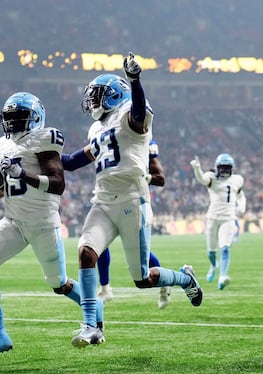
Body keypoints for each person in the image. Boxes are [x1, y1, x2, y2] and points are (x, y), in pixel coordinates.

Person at [66, 53, 203, 348]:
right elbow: (73, 161)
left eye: (97, 96)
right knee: (86, 252)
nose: (92, 102)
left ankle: (184, 279)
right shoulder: (97, 128)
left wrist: (135, 80)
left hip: (132, 200)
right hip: (102, 201)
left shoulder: (131, 114)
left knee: (142, 279)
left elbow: (139, 113)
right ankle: (92, 326)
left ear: (114, 95)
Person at [0, 91, 104, 360]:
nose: (13, 123)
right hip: (14, 220)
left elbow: (57, 184)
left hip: (43, 223)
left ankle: (94, 306)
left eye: (19, 117)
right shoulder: (3, 144)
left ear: (35, 118)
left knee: (59, 284)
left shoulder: (44, 138)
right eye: (10, 118)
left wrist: (23, 173)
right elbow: (4, 191)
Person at [64, 139, 170, 308]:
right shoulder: (105, 135)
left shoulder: (142, 140)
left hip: (133, 202)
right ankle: (105, 288)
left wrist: (143, 176)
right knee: (95, 247)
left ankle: (164, 281)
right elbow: (73, 161)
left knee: (142, 259)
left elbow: (160, 179)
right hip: (107, 200)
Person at [190, 153, 246, 290]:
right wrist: (197, 168)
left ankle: (223, 277)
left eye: (227, 167)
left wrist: (242, 206)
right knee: (211, 251)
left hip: (228, 218)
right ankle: (214, 265)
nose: (225, 170)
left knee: (225, 248)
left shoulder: (237, 179)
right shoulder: (211, 177)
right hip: (213, 218)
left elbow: (240, 195)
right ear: (217, 167)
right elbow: (202, 180)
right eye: (223, 167)